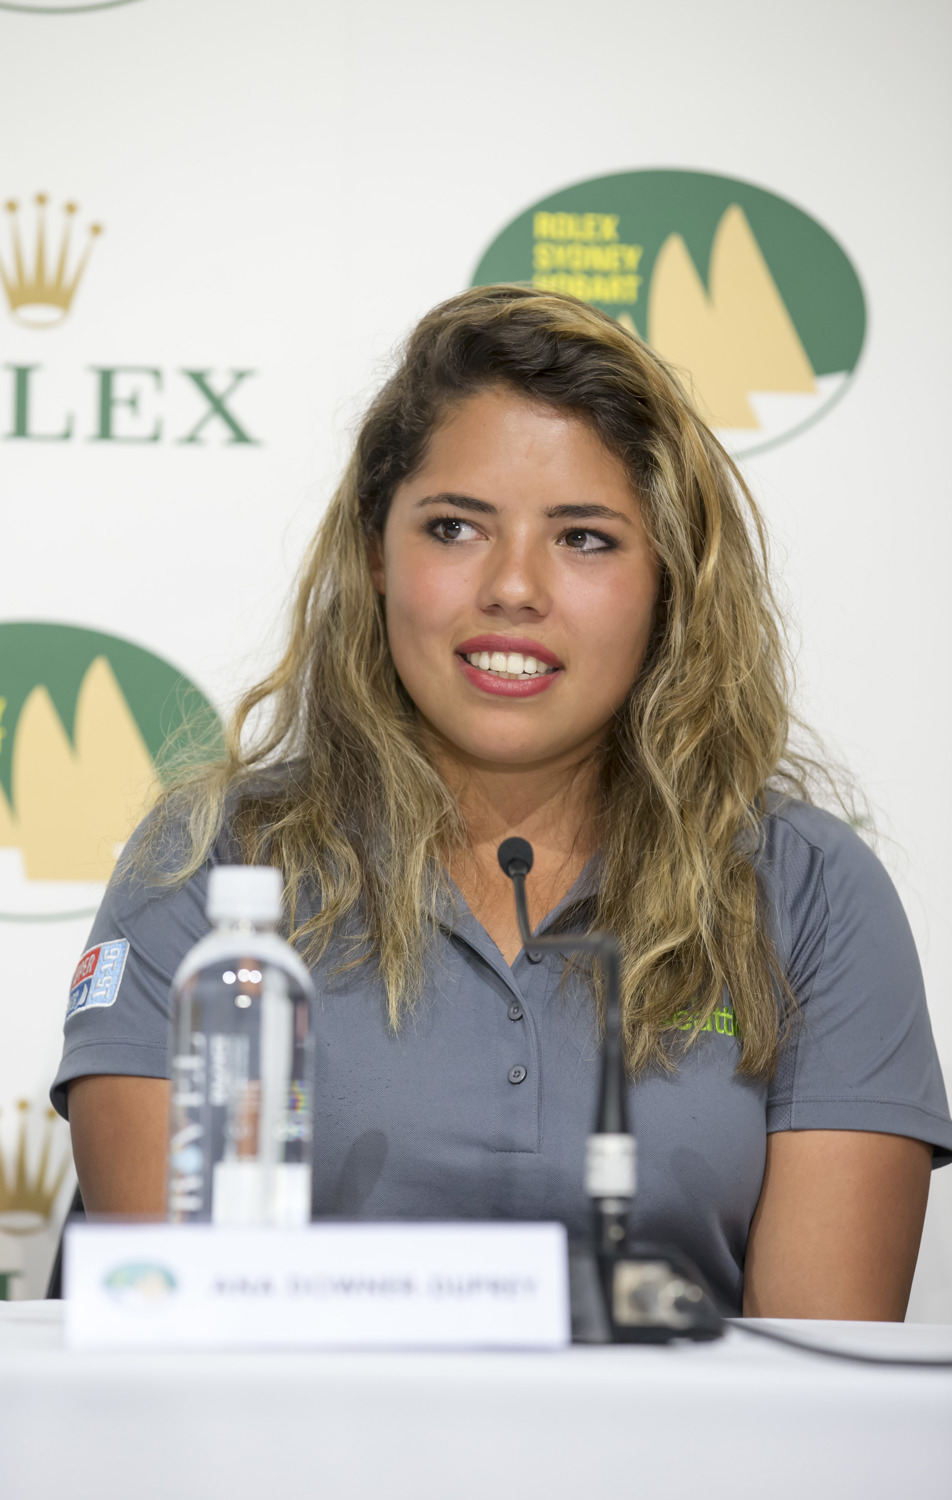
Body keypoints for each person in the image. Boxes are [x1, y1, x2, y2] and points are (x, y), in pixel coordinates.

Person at [51, 285, 952, 1318]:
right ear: (376, 555)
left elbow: (818, 1388)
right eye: (454, 527)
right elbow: (172, 1325)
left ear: (669, 582)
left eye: (584, 539)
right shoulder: (211, 862)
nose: (514, 587)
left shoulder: (811, 888)